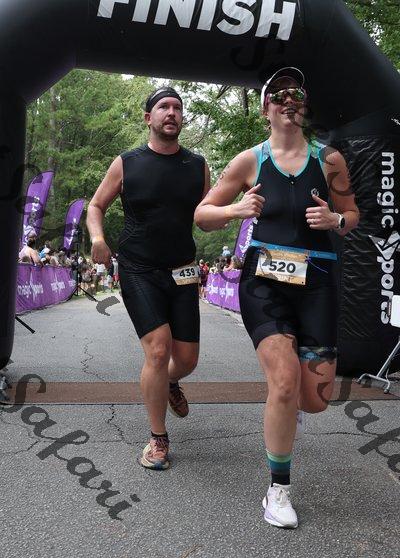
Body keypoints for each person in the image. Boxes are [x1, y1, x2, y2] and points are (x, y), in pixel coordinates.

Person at [194, 67, 359, 528]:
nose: (289, 100)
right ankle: (278, 491)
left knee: (316, 399)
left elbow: (352, 214)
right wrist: (237, 209)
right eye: (280, 95)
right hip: (264, 282)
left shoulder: (330, 161)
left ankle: (287, 411)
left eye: (297, 94)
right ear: (266, 109)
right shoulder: (250, 161)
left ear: (304, 107)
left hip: (318, 281)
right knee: (284, 383)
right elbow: (202, 215)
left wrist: (336, 222)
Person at [87, 86, 210, 470]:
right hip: (138, 268)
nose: (171, 112)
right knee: (158, 349)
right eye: (163, 107)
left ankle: (169, 382)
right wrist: (97, 238)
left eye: (177, 107)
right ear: (148, 118)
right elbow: (96, 205)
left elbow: (208, 216)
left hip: (183, 269)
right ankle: (158, 438)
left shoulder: (198, 166)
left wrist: (235, 211)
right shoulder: (127, 163)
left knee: (186, 359)